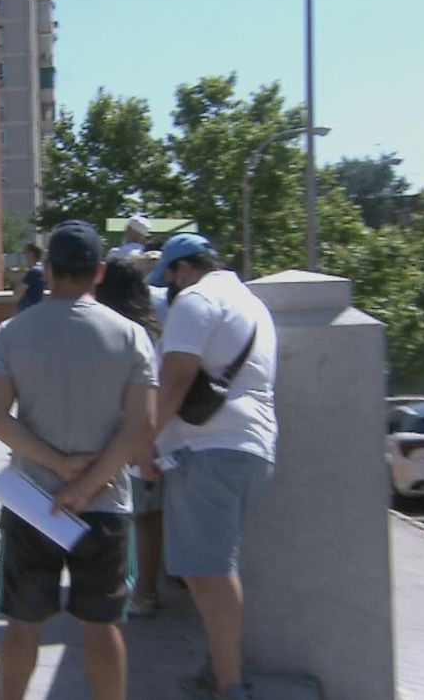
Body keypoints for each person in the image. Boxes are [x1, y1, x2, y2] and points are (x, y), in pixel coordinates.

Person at [0, 219, 158, 700]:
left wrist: (59, 466)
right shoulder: (131, 336)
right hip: (106, 502)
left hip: (32, 501)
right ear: (99, 271)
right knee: (102, 627)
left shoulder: (11, 332)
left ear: (47, 269)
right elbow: (142, 425)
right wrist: (86, 483)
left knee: (23, 623)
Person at [136, 233, 277, 700]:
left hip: (208, 451)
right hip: (249, 448)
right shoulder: (252, 304)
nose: (172, 291)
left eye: (171, 280)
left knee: (211, 571)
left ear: (184, 270)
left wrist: (145, 442)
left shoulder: (196, 300)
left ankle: (230, 683)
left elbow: (175, 380)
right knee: (205, 569)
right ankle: (218, 667)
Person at [94, 257, 165, 619]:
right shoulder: (151, 329)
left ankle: (143, 590)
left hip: (134, 437)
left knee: (140, 518)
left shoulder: (122, 333)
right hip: (151, 434)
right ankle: (144, 586)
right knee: (147, 517)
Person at [13, 242, 46, 312]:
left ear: (31, 254)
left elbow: (18, 292)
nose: (24, 255)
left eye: (25, 252)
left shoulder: (34, 272)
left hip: (29, 310)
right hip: (37, 308)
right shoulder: (42, 269)